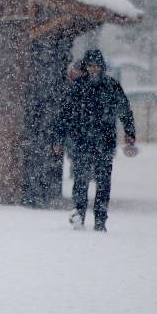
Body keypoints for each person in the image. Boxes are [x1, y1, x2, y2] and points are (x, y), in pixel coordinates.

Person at [53, 49, 136, 232]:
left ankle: (100, 219)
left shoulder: (111, 86)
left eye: (97, 66)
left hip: (105, 143)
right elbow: (64, 115)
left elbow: (125, 111)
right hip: (81, 142)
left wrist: (129, 133)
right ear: (86, 66)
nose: (94, 69)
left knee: (103, 182)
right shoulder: (77, 87)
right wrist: (59, 139)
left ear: (102, 67)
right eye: (91, 65)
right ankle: (79, 215)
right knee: (81, 181)